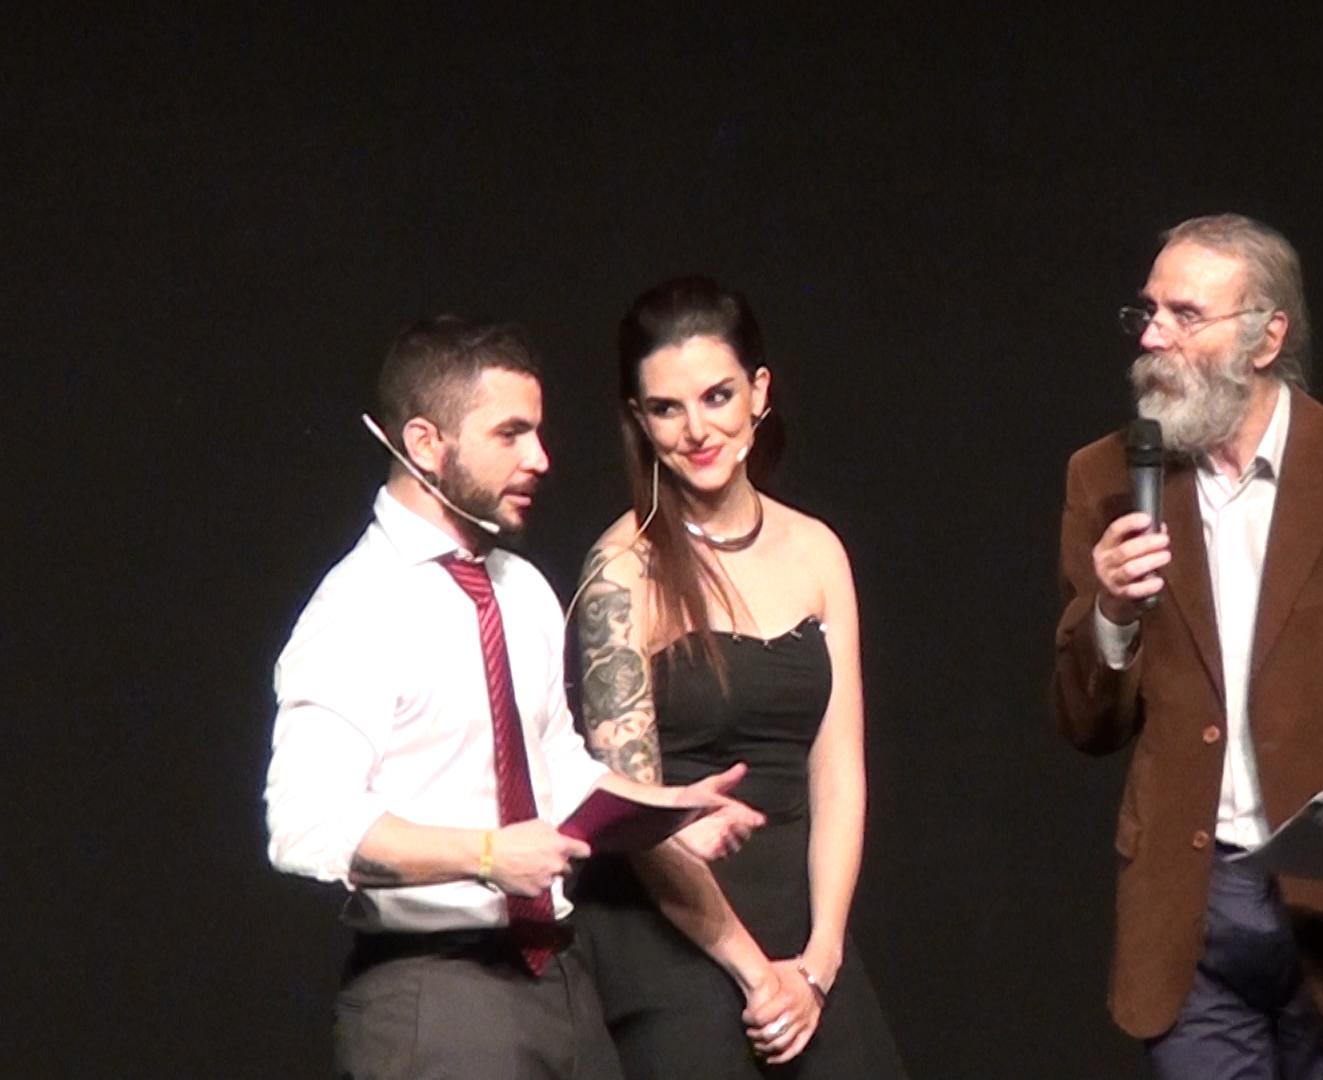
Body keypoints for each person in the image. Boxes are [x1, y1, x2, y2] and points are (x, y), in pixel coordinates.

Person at [264, 316, 763, 1080]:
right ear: (425, 443)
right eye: (510, 434)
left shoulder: (521, 589)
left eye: (537, 431)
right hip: (435, 994)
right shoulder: (357, 609)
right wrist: (489, 856)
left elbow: (555, 764)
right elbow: (306, 825)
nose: (541, 458)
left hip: (559, 981)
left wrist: (666, 817)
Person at [1053, 215, 1323, 1079]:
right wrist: (1111, 611)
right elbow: (1088, 723)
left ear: (1266, 337)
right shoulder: (1107, 477)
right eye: (1148, 311)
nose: (1153, 337)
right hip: (1194, 914)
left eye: (1186, 315)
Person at [568, 277, 907, 1078]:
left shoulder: (818, 551)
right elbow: (633, 813)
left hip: (803, 938)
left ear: (759, 392)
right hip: (674, 937)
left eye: (717, 396)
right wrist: (757, 974)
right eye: (667, 409)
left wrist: (819, 960)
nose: (697, 430)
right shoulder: (621, 570)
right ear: (639, 420)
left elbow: (838, 772)